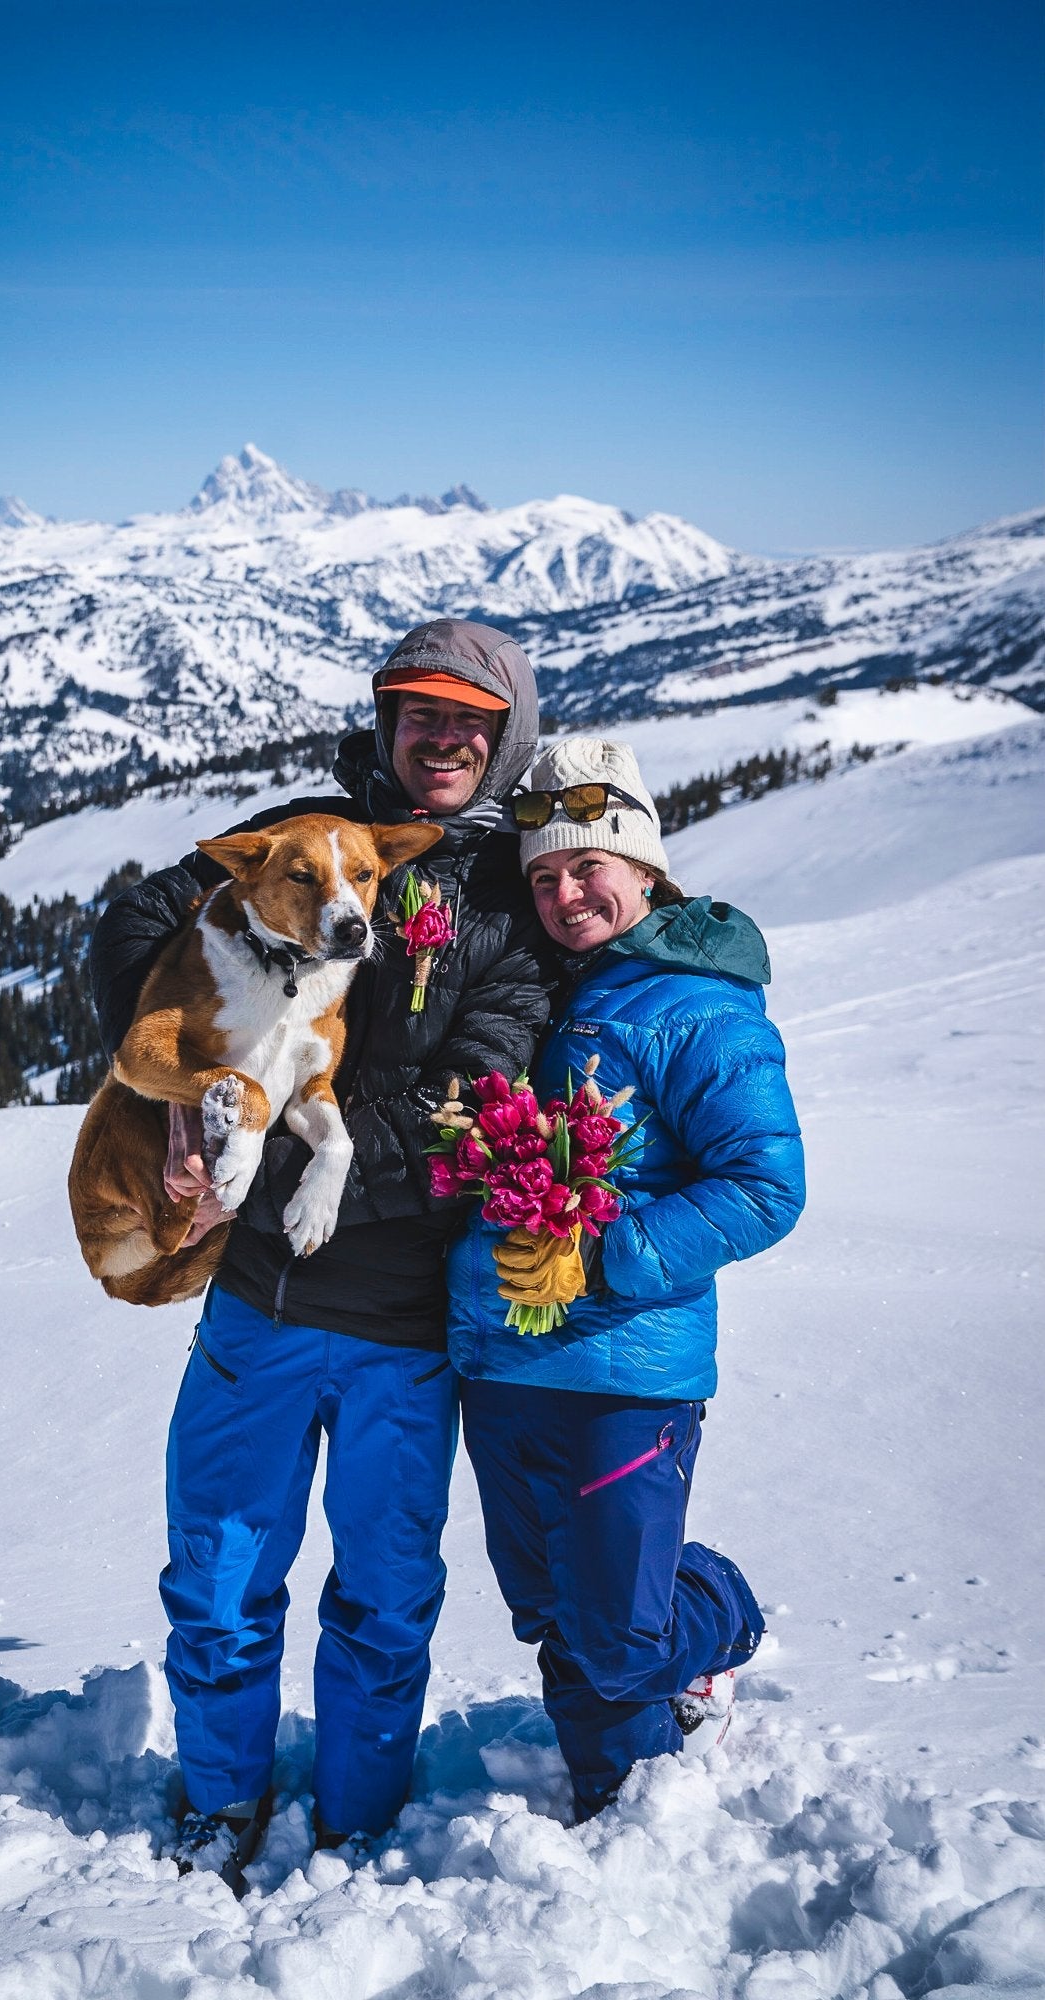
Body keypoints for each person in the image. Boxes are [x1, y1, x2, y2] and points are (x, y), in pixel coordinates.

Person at [88, 619, 552, 1878]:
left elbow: (464, 1100)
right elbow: (136, 926)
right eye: (419, 717)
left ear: (503, 737)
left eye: (468, 723)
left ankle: (357, 1816)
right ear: (387, 725)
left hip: (403, 1323)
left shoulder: (509, 900)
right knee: (221, 1580)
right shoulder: (299, 835)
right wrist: (185, 1084)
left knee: (385, 1599)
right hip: (256, 1304)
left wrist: (267, 1158)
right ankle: (220, 1801)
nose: (440, 741)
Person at [447, 736, 805, 1819]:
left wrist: (601, 1254)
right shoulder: (532, 985)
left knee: (618, 1628)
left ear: (644, 866)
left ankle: (713, 1622)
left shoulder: (700, 1005)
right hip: (500, 1356)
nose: (564, 892)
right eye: (544, 874)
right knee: (553, 1610)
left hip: (623, 1366)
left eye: (587, 865)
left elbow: (762, 1185)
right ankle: (615, 1779)